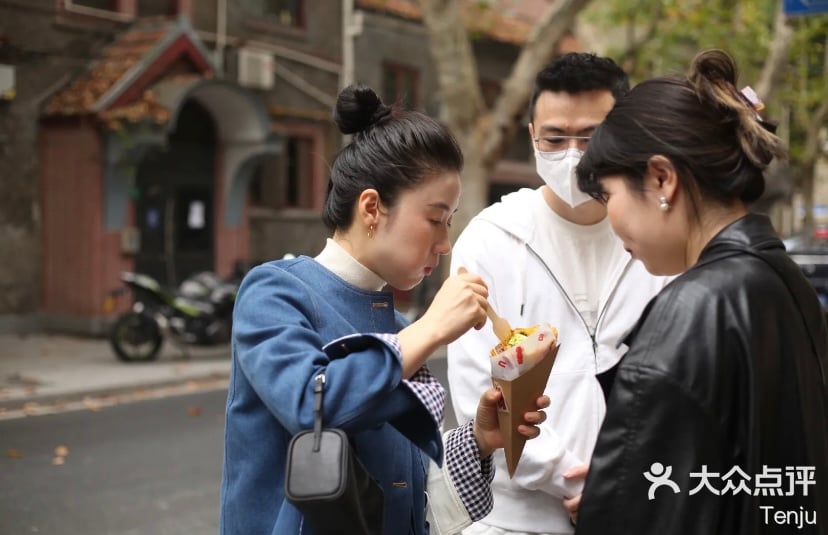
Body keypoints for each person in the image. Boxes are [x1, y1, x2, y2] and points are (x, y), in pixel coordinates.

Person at [219, 84, 551, 535]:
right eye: (435, 219)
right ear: (372, 208)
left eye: (449, 222)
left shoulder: (396, 327)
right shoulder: (275, 291)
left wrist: (479, 441)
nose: (445, 243)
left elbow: (405, 489)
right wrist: (430, 328)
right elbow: (310, 405)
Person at [572, 49, 828, 535]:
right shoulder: (783, 280)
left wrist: (622, 494)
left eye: (609, 196)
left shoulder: (691, 310)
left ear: (661, 178)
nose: (611, 219)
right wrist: (628, 478)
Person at [447, 52, 668, 534]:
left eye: (590, 137)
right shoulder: (492, 239)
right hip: (516, 519)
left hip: (641, 509)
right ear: (532, 136)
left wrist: (623, 482)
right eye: (555, 137)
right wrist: (575, 485)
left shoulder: (658, 239)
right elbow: (477, 393)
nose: (573, 154)